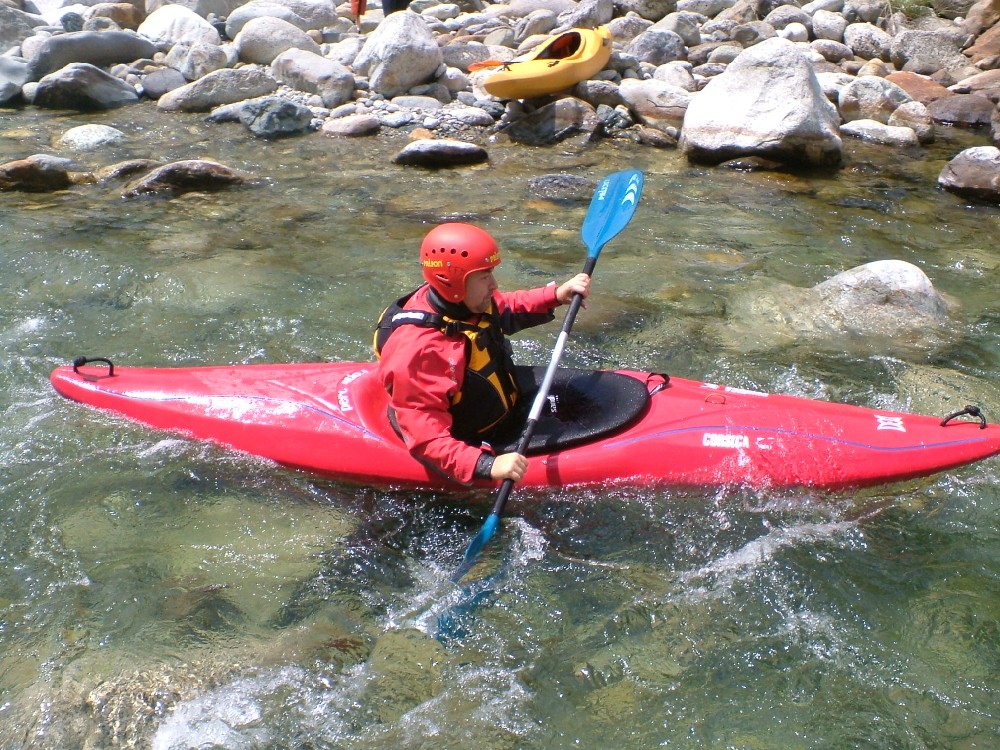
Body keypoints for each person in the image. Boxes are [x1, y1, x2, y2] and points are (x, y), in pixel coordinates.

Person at [374, 222, 590, 486]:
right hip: (467, 439)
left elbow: (505, 307)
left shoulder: (465, 302)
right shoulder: (419, 352)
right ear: (452, 281)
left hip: (495, 408)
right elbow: (427, 438)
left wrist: (554, 295)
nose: (494, 284)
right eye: (485, 276)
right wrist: (487, 465)